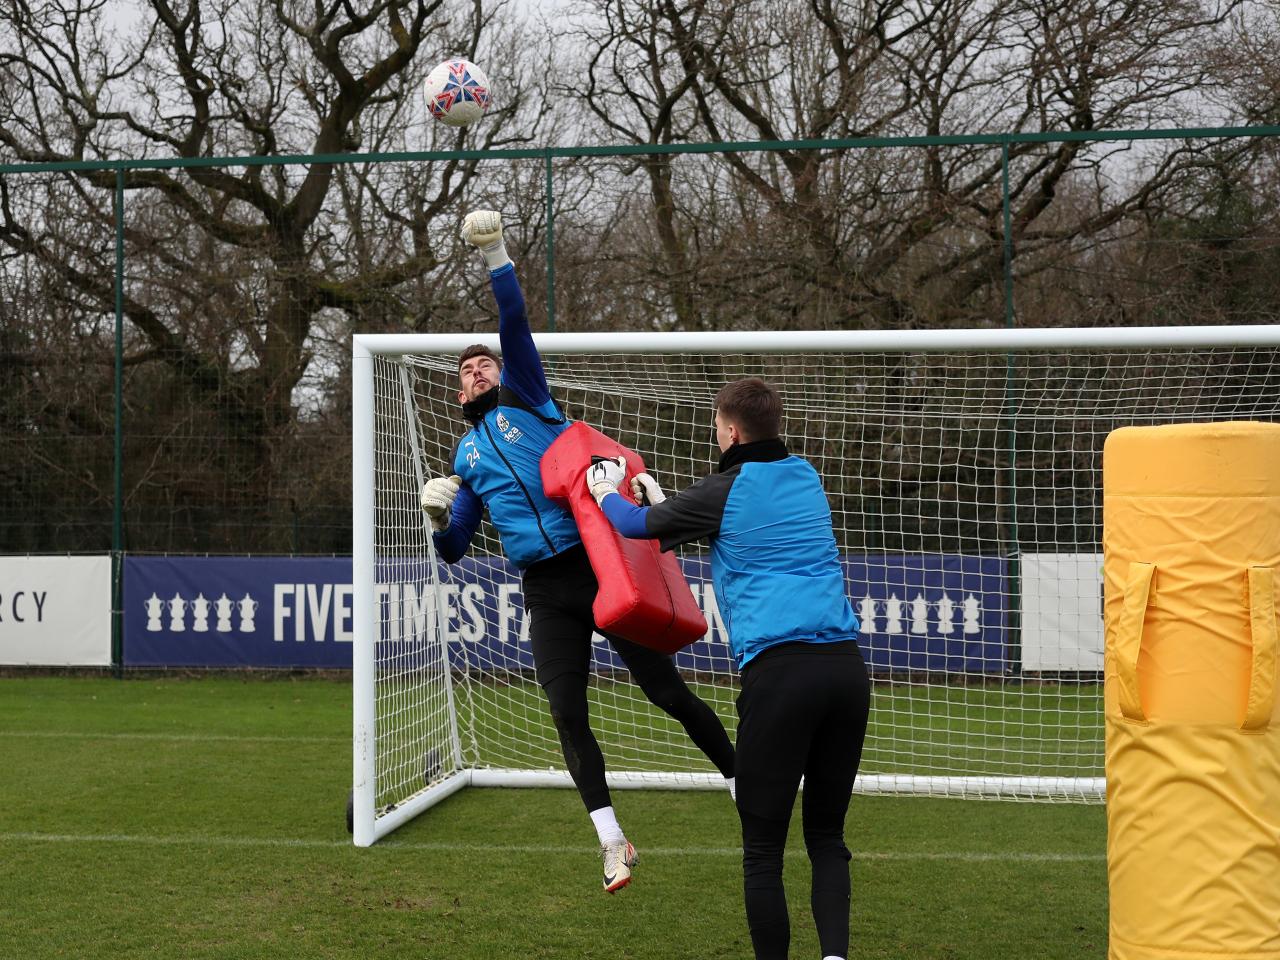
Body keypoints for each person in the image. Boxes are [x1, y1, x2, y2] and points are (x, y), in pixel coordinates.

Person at [419, 210, 737, 893]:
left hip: (599, 569)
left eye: (483, 366)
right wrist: (436, 514)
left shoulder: (526, 399)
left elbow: (512, 322)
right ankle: (612, 841)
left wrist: (497, 254)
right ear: (456, 390)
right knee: (566, 709)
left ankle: (740, 779)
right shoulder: (463, 456)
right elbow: (453, 550)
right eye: (467, 370)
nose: (476, 372)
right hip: (544, 588)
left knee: (666, 692)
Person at [587, 377, 871, 960]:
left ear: (732, 431)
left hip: (780, 674)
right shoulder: (809, 476)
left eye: (718, 426)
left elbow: (636, 527)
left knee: (763, 849)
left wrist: (605, 490)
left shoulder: (725, 488)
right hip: (846, 671)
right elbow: (736, 530)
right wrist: (667, 503)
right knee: (827, 837)